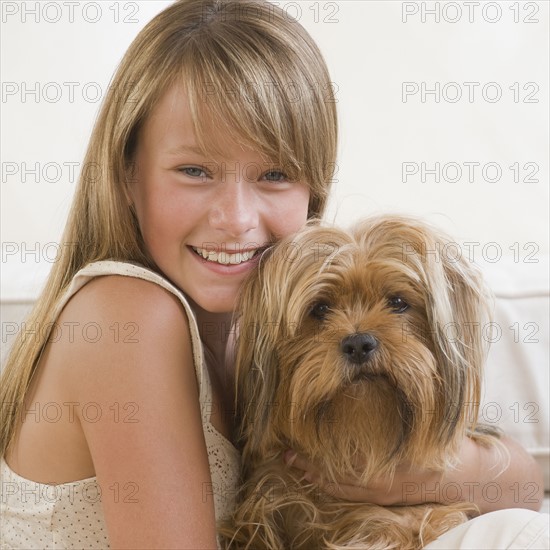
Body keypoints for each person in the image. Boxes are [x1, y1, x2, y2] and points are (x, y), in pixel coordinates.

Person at [0, 1, 547, 549]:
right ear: (126, 174)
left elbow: (524, 483)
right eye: (194, 170)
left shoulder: (271, 336)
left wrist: (397, 477)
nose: (236, 219)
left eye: (275, 174)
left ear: (313, 189)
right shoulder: (128, 316)